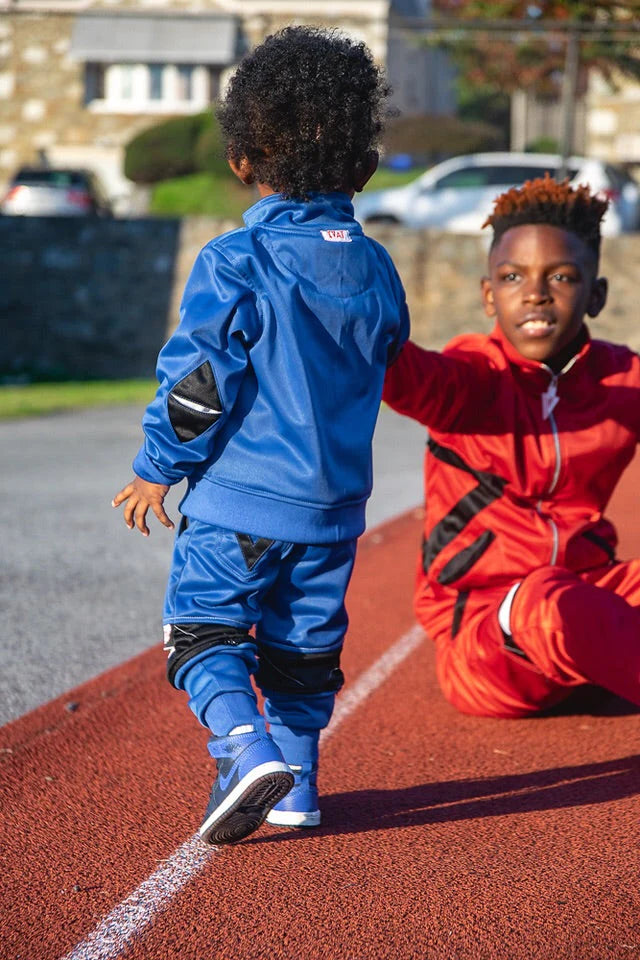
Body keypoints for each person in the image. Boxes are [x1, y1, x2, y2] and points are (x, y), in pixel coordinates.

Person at [112, 26, 409, 845]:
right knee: (304, 648)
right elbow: (388, 347)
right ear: (365, 167)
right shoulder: (379, 265)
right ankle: (300, 786)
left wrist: (154, 467)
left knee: (202, 627)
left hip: (240, 503)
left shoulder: (237, 257)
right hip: (335, 513)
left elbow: (200, 384)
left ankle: (243, 750)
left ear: (244, 160)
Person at [383, 174, 640, 719]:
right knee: (548, 601)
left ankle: (601, 662)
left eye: (563, 276)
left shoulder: (622, 379)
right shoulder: (471, 378)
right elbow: (401, 372)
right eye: (512, 276)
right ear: (488, 294)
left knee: (578, 596)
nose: (535, 292)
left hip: (591, 591)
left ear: (596, 295)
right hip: (487, 631)